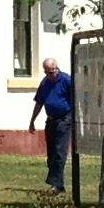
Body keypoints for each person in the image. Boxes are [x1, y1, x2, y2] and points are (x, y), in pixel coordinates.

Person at [31, 55, 74, 192]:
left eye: (53, 71)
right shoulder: (45, 83)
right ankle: (56, 183)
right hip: (51, 120)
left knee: (60, 152)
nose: (51, 74)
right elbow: (39, 102)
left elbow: (77, 98)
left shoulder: (66, 80)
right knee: (51, 154)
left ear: (57, 68)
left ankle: (57, 184)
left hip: (64, 119)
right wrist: (32, 121)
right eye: (48, 72)